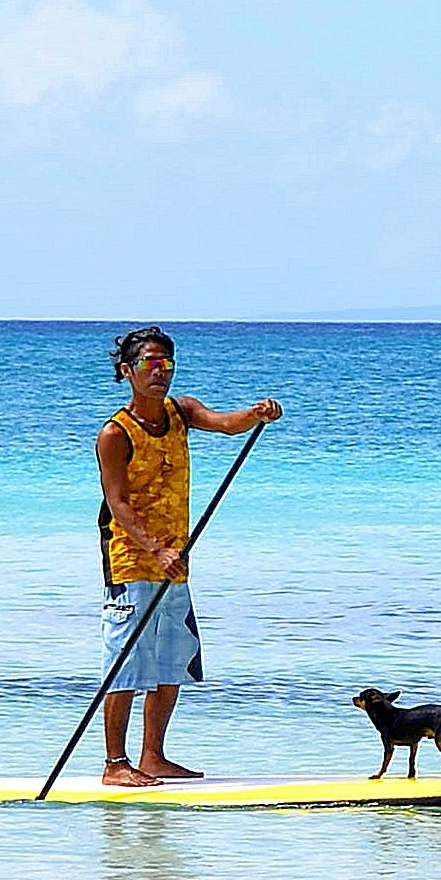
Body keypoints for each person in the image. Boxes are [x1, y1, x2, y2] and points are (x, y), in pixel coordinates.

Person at [91, 327, 280, 787]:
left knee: (172, 658)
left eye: (166, 364)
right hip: (132, 561)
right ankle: (115, 764)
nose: (159, 372)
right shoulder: (115, 434)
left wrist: (256, 414)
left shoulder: (182, 412)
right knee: (126, 661)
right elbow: (117, 503)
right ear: (126, 371)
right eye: (148, 364)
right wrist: (155, 548)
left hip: (176, 560)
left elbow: (225, 423)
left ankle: (152, 757)